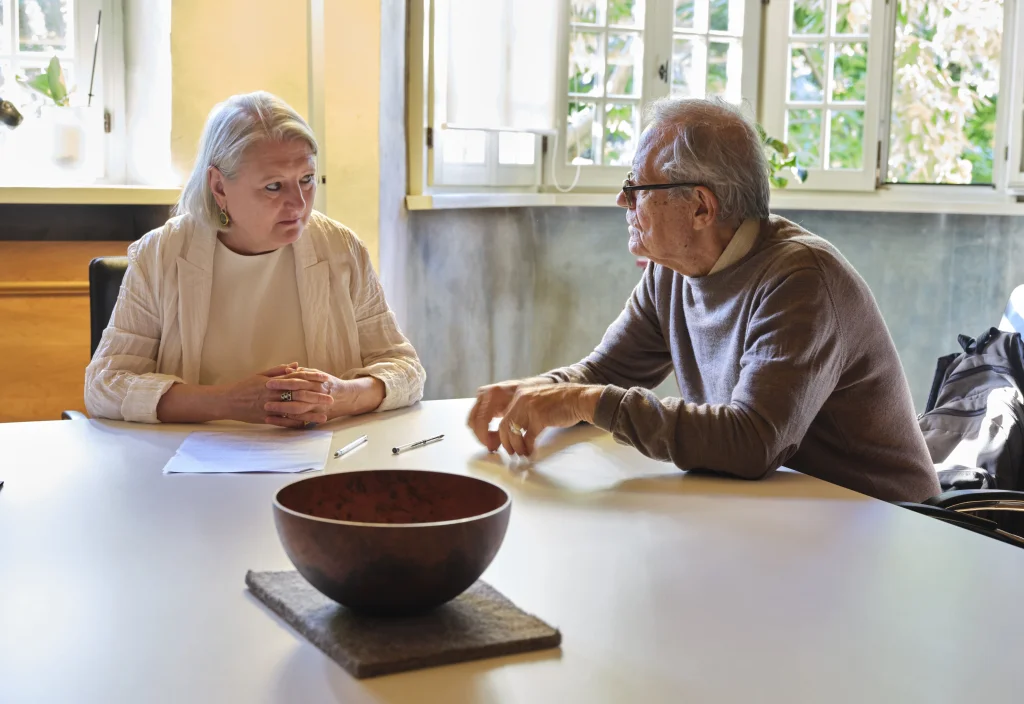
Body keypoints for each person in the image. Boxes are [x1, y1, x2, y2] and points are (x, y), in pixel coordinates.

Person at [467, 97, 940, 503]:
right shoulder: (671, 271)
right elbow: (604, 374)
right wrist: (535, 392)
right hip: (786, 511)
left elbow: (752, 441)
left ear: (700, 207)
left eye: (636, 187)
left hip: (883, 524)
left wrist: (585, 400)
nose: (621, 201)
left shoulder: (801, 279)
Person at [85, 91, 425, 427]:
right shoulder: (160, 255)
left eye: (306, 180)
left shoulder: (340, 247)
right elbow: (105, 385)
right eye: (274, 187)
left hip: (317, 456)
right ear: (219, 187)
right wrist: (227, 402)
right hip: (192, 462)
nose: (299, 205)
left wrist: (338, 395)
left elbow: (405, 370)